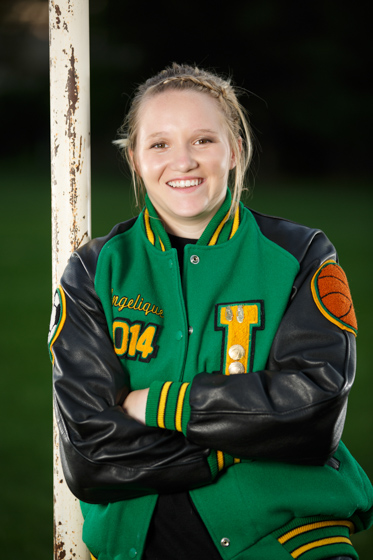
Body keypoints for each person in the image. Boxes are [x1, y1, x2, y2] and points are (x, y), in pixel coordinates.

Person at [49, 63, 373, 560]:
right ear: (135, 159)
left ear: (234, 150)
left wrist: (156, 405)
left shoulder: (300, 255)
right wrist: (239, 437)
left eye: (203, 140)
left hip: (287, 545)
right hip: (130, 548)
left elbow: (312, 413)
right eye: (159, 144)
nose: (183, 161)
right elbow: (93, 457)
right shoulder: (95, 271)